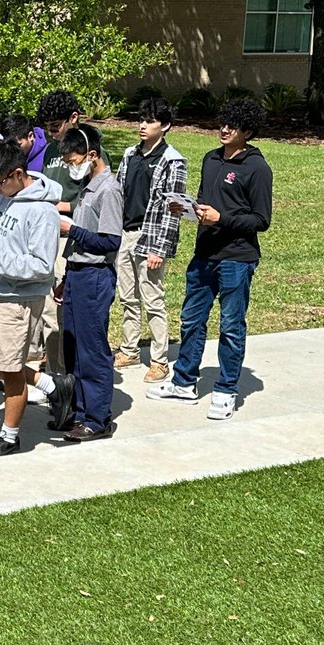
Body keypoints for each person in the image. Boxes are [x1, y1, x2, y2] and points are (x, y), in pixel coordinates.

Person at [148, 98, 272, 419]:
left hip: (237, 258)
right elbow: (206, 204)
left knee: (231, 325)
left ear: (248, 131)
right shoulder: (211, 159)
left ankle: (227, 389)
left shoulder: (257, 168)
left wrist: (221, 218)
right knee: (191, 319)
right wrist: (189, 209)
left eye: (233, 125)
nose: (225, 128)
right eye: (223, 122)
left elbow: (261, 220)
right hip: (204, 255)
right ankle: (184, 382)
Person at [0, 140, 72, 458]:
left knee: (10, 370)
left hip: (17, 300)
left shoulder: (43, 212)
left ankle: (10, 438)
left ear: (18, 173)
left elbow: (40, 266)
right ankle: (50, 385)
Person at [54, 124, 123, 441]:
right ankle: (79, 412)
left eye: (73, 160)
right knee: (73, 348)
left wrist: (72, 232)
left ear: (92, 155)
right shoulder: (88, 186)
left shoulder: (108, 190)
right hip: (77, 274)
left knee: (92, 349)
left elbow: (110, 242)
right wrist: (66, 275)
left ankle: (98, 418)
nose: (71, 167)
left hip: (95, 277)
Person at [34, 89, 110, 373]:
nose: (52, 134)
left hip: (73, 236)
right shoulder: (52, 150)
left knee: (62, 311)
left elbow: (99, 198)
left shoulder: (94, 152)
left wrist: (61, 207)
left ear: (73, 118)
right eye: (47, 128)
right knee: (48, 312)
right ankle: (54, 372)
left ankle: (68, 376)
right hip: (47, 235)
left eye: (56, 127)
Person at [113, 98, 188, 382]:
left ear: (165, 126)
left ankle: (159, 360)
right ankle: (129, 350)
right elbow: (119, 192)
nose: (143, 126)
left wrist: (161, 248)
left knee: (153, 299)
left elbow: (174, 209)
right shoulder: (130, 154)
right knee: (127, 297)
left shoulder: (173, 161)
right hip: (125, 234)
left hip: (151, 237)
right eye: (141, 120)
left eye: (151, 121)